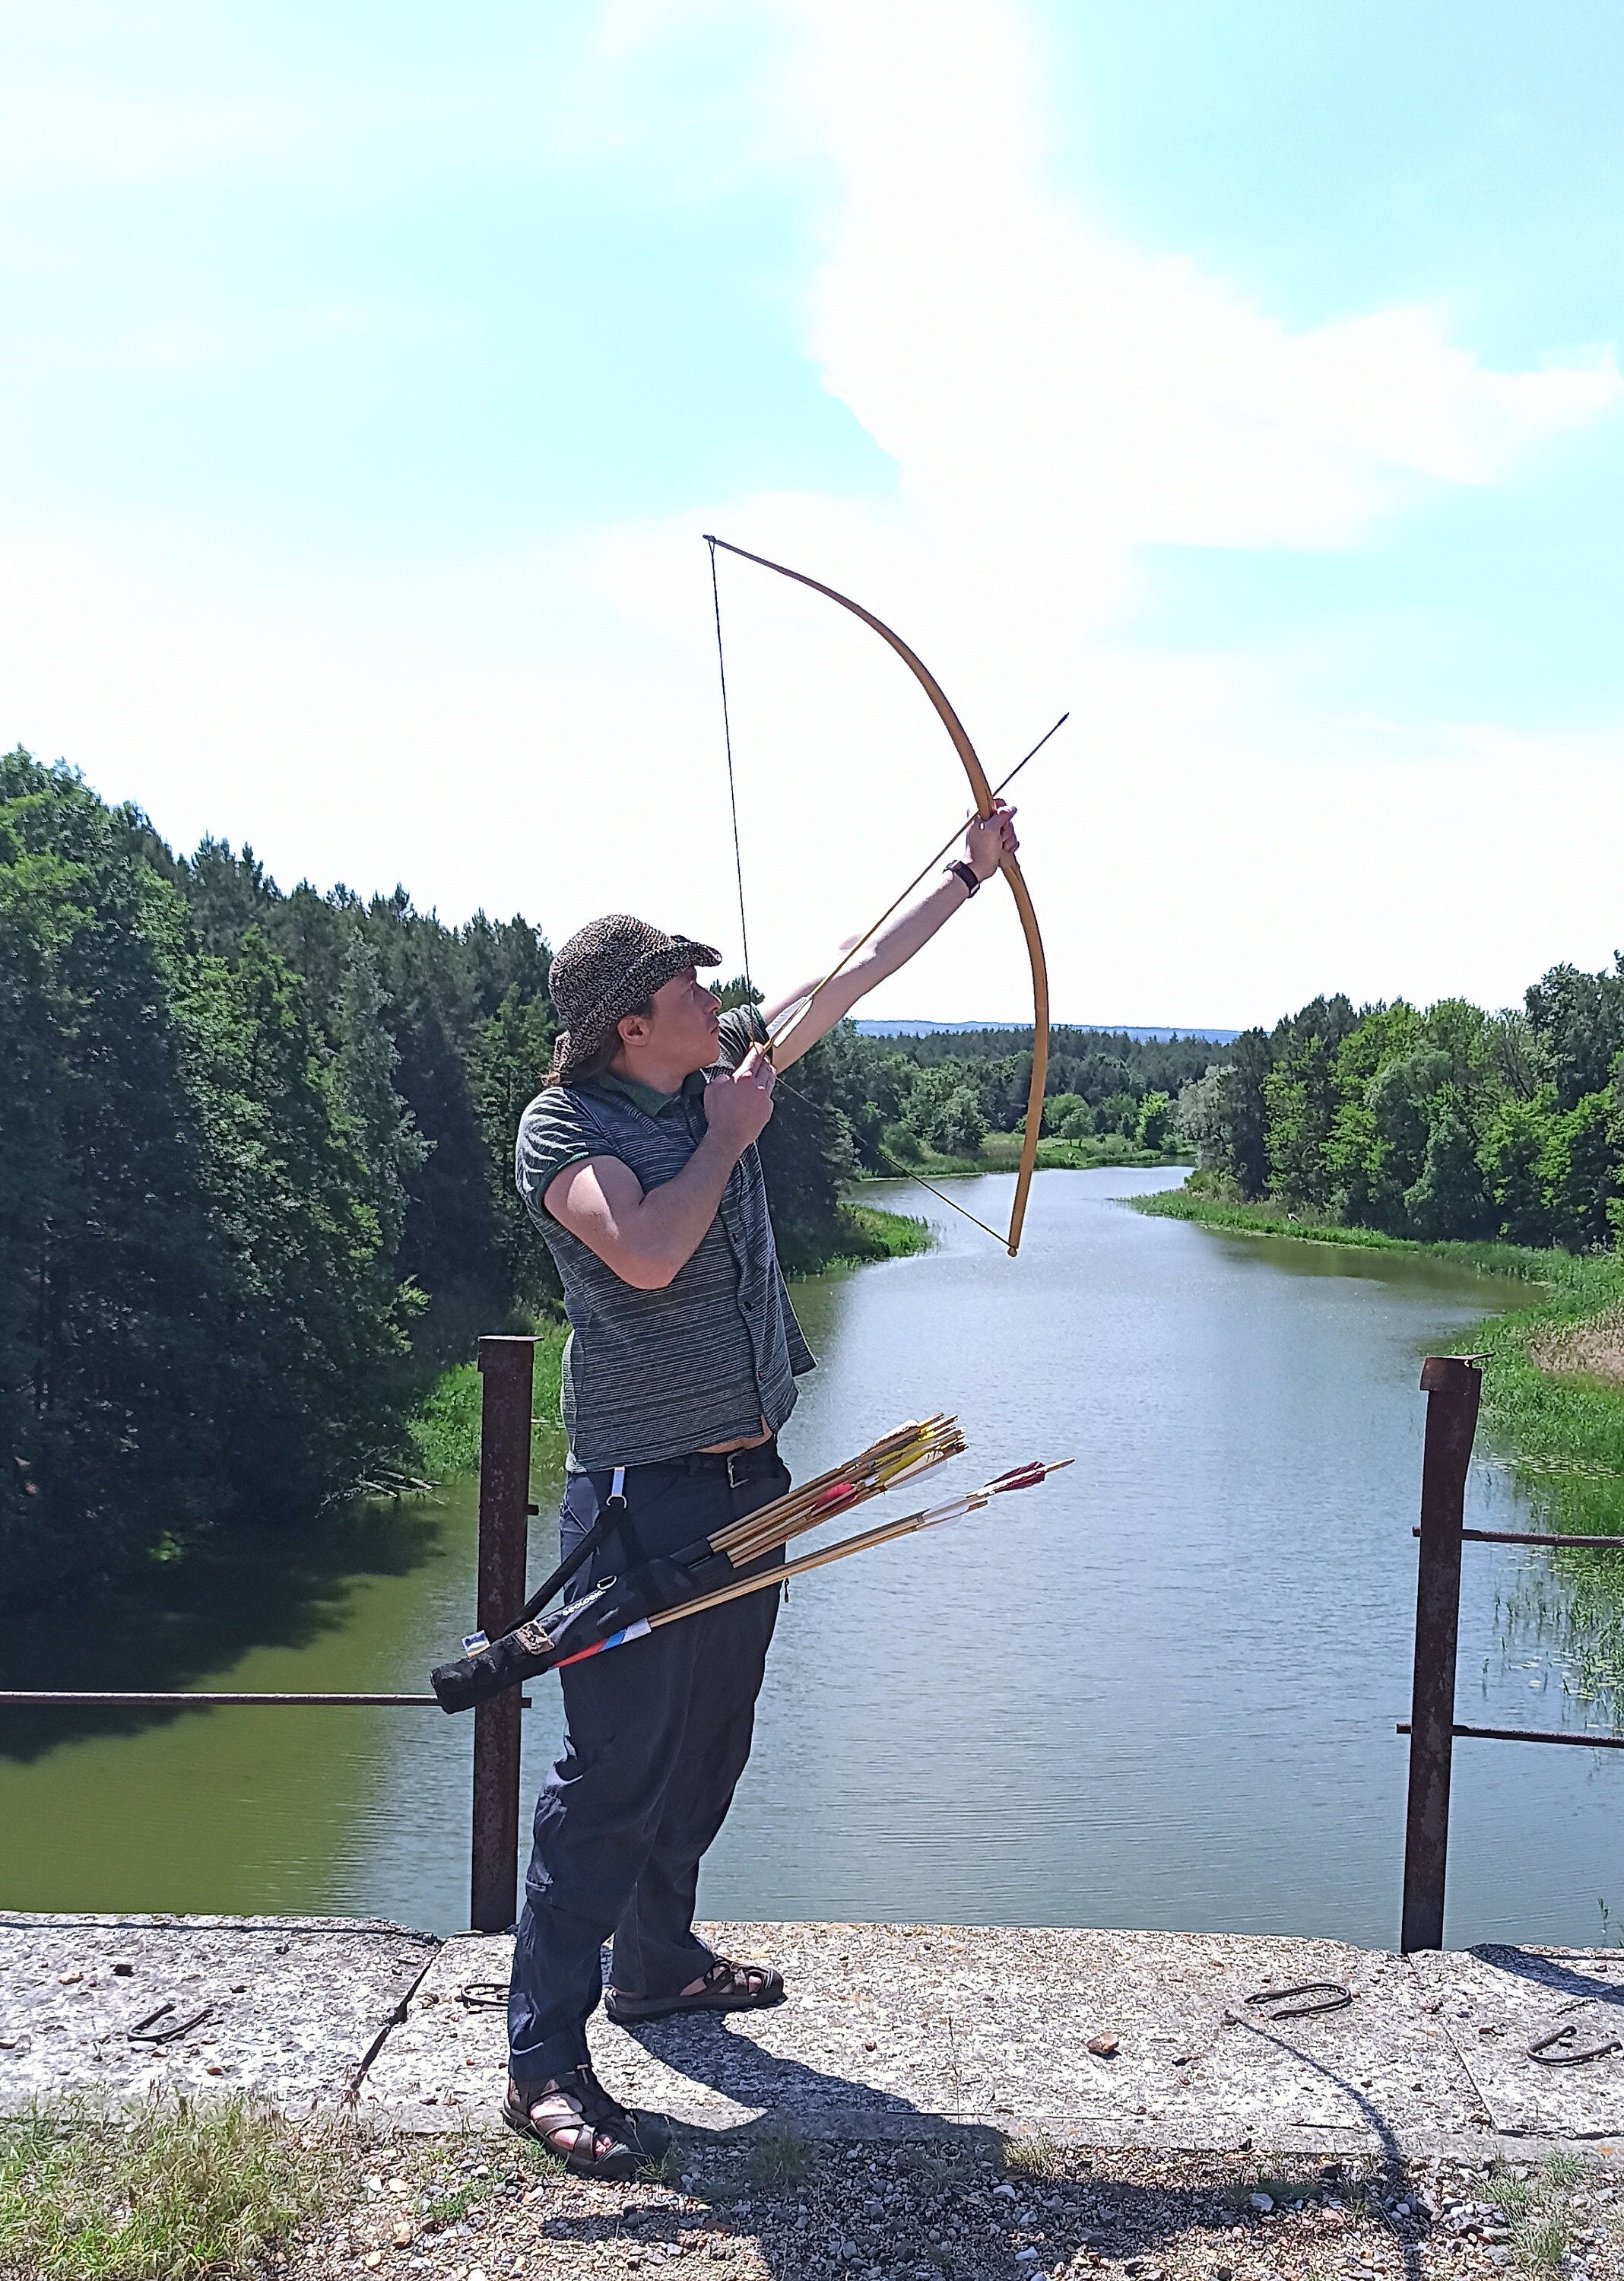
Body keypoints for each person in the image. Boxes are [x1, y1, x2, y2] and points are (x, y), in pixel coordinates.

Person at [503, 801, 1022, 2175]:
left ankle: (659, 1962)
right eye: (688, 983)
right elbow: (650, 1258)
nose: (715, 996)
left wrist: (969, 872)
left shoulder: (712, 1071)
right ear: (631, 1021)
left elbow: (845, 972)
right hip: (635, 1497)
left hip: (751, 1480)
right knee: (610, 1773)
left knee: (709, 1742)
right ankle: (542, 2060)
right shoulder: (565, 1132)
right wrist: (733, 1138)